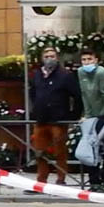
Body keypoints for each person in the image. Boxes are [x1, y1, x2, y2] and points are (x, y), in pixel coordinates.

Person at [28, 46, 81, 190]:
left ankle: (61, 179)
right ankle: (41, 181)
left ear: (57, 58)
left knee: (60, 151)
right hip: (41, 119)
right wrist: (35, 108)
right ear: (42, 59)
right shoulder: (37, 74)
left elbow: (77, 96)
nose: (49, 59)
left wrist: (73, 115)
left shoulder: (65, 75)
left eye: (52, 56)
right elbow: (32, 92)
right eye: (46, 57)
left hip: (58, 119)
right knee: (40, 152)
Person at [76, 47, 104, 193]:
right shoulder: (81, 72)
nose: (86, 62)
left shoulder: (102, 73)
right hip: (92, 116)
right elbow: (84, 95)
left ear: (96, 60)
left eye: (89, 59)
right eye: (84, 60)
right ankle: (94, 181)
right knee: (90, 148)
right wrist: (87, 115)